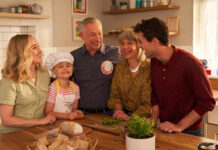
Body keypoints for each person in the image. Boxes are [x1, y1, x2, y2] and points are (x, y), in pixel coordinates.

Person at [134, 17, 216, 136]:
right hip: (164, 128)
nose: (139, 46)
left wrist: (179, 126)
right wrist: (153, 119)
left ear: (154, 41)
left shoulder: (191, 64)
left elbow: (207, 102)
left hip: (189, 132)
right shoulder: (154, 62)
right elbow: (155, 94)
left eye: (141, 42)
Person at [0, 34, 56, 134]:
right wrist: (41, 121)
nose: (40, 51)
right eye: (34, 47)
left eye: (38, 46)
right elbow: (6, 120)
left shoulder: (44, 74)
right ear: (22, 53)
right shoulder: (9, 80)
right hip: (11, 134)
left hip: (38, 131)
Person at [71, 17, 120, 114]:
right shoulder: (73, 57)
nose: (98, 38)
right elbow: (63, 83)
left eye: (100, 33)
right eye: (92, 34)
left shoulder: (114, 53)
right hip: (82, 114)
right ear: (82, 36)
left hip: (109, 113)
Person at [108, 30, 151, 121]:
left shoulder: (148, 68)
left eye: (130, 43)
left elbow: (148, 103)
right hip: (122, 117)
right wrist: (119, 111)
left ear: (139, 46)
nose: (125, 47)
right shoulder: (120, 68)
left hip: (143, 120)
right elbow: (115, 95)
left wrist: (131, 118)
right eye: (122, 43)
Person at [44, 52, 84, 120]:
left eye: (68, 66)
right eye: (60, 67)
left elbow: (74, 109)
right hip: (54, 123)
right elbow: (47, 112)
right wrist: (66, 115)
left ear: (72, 68)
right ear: (53, 71)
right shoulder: (53, 88)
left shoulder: (75, 87)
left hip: (69, 122)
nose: (65, 68)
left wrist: (77, 113)